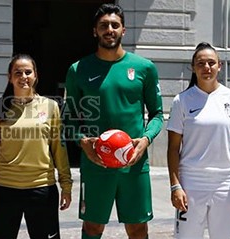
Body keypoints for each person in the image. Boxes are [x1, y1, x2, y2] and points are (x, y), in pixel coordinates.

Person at [63, 3, 164, 239]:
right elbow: (68, 117)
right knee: (92, 228)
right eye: (104, 26)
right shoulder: (78, 69)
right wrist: (82, 141)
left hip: (134, 164)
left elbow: (158, 115)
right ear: (95, 31)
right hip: (96, 164)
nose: (109, 29)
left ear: (123, 30)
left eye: (114, 25)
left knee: (138, 228)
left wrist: (146, 140)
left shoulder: (144, 68)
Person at [0, 54, 73, 239]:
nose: (23, 77)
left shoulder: (51, 107)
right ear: (10, 77)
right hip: (4, 190)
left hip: (41, 189)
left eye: (28, 72)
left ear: (35, 75)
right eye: (17, 72)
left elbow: (59, 150)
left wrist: (66, 186)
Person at [166, 42, 230, 238]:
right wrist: (175, 186)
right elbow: (173, 148)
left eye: (211, 63)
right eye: (201, 63)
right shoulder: (182, 101)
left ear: (219, 66)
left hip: (225, 183)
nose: (206, 67)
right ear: (193, 67)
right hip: (191, 183)